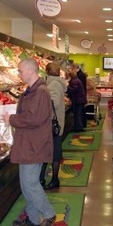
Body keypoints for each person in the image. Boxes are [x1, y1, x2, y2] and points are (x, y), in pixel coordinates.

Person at [7, 58, 55, 226]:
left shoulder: (40, 92)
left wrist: (11, 119)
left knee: (30, 184)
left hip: (34, 145)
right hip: (27, 143)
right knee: (26, 184)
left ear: (30, 71)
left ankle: (49, 214)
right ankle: (33, 218)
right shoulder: (32, 91)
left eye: (20, 71)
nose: (18, 74)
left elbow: (34, 118)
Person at [42, 61, 67, 190]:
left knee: (53, 152)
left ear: (47, 71)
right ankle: (46, 178)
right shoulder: (56, 83)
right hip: (57, 123)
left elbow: (53, 103)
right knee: (52, 151)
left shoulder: (53, 84)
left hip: (52, 124)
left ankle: (54, 180)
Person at [72, 63, 88, 128]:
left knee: (79, 113)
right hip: (81, 96)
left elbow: (76, 88)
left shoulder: (79, 76)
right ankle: (82, 124)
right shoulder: (81, 74)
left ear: (75, 68)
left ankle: (79, 126)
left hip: (79, 97)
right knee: (81, 112)